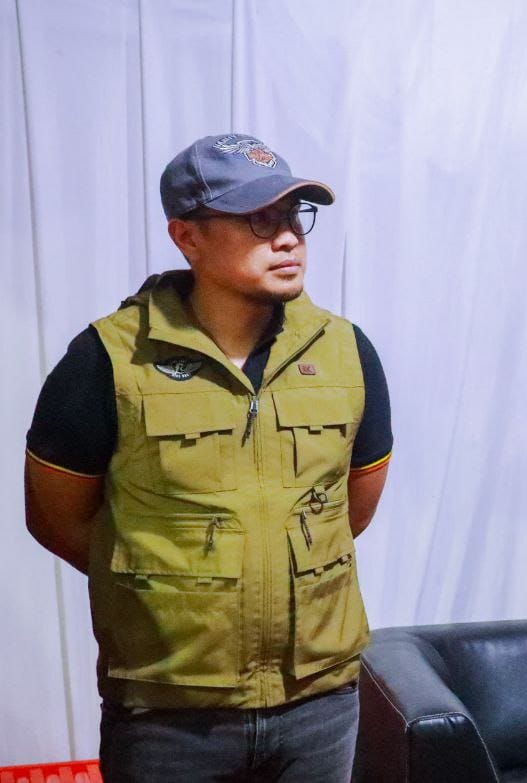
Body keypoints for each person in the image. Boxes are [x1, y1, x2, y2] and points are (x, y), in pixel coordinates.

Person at [24, 133, 393, 782]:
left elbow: (351, 510)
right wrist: (173, 585)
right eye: (259, 219)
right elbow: (58, 519)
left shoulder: (346, 353)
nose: (288, 238)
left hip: (318, 705)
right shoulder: (109, 360)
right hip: (169, 718)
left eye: (294, 215)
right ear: (186, 236)